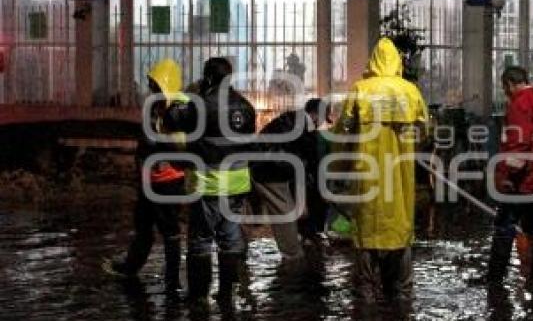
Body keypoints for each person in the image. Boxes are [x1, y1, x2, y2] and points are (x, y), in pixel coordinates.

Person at [335, 37, 427, 301]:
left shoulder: (361, 90)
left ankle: (365, 297)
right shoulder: (410, 91)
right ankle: (401, 296)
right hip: (400, 176)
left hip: (368, 174)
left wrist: (341, 168)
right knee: (400, 229)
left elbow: (343, 132)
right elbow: (424, 130)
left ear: (373, 60)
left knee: (366, 230)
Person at [164, 57, 256, 302]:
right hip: (238, 185)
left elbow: (170, 119)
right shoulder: (246, 106)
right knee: (231, 237)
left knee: (201, 240)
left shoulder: (199, 105)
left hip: (208, 184)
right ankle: (227, 294)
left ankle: (198, 296)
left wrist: (186, 94)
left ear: (207, 78)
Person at [106, 58, 187, 293]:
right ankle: (131, 267)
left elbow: (183, 145)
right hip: (149, 181)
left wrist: (163, 153)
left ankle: (172, 280)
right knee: (142, 226)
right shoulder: (155, 108)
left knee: (170, 231)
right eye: (151, 85)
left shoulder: (180, 109)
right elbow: (145, 141)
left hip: (169, 182)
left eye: (156, 85)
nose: (152, 89)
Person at [481, 66, 533, 286]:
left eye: (505, 88)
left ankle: (495, 279)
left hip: (520, 181)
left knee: (504, 225)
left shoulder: (520, 104)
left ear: (510, 84)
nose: (505, 93)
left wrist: (507, 175)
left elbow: (519, 145)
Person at [251, 98, 330, 269]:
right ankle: (293, 259)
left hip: (263, 169)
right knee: (285, 213)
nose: (322, 124)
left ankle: (238, 252)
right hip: (269, 173)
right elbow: (300, 159)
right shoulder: (300, 126)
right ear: (317, 115)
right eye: (323, 120)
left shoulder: (292, 120)